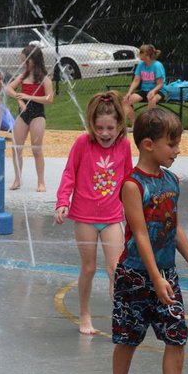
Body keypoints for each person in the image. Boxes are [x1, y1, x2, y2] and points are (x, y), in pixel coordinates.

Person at [108, 108, 188, 374]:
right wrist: (154, 277)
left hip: (165, 274)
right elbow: (140, 234)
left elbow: (173, 226)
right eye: (172, 144)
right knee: (129, 338)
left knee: (177, 336)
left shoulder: (171, 180)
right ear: (148, 144)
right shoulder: (133, 185)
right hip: (136, 275)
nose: (178, 150)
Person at [55, 91, 132, 335]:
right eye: (99, 128)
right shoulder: (82, 143)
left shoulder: (124, 145)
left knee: (116, 270)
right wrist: (62, 201)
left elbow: (129, 178)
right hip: (85, 217)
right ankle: (85, 313)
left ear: (119, 125)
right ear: (92, 125)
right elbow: (69, 173)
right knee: (88, 268)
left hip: (111, 218)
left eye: (110, 127)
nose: (105, 133)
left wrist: (137, 207)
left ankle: (120, 316)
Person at [6, 44, 53, 192]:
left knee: (36, 150)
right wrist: (19, 99)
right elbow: (8, 88)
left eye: (25, 61)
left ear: (34, 60)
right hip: (23, 114)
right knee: (16, 148)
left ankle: (41, 182)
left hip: (37, 115)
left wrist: (29, 97)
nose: (23, 64)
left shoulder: (45, 79)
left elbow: (49, 99)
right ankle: (17, 179)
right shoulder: (22, 77)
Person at [122, 44, 166, 127]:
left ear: (147, 54)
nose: (139, 54)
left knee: (151, 99)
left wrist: (153, 91)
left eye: (141, 52)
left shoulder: (157, 65)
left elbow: (160, 84)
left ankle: (150, 125)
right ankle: (135, 125)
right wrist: (129, 92)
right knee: (125, 101)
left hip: (158, 91)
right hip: (145, 90)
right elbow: (136, 80)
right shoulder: (141, 64)